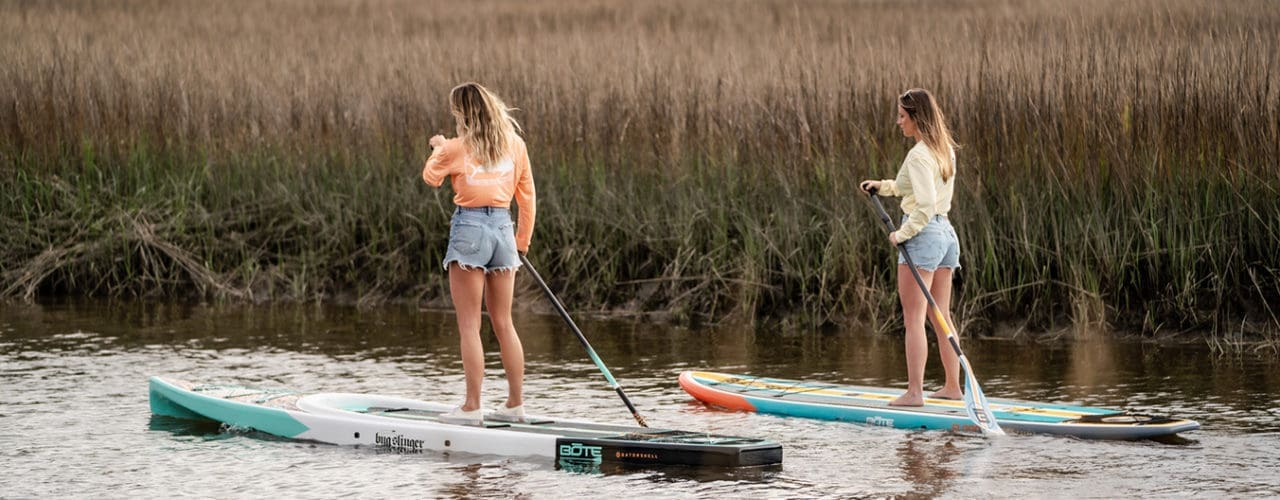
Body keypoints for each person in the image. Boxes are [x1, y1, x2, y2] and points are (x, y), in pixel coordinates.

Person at [422, 82, 536, 424]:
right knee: (504, 322)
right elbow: (527, 195)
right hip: (503, 230)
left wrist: (438, 149)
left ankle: (472, 406)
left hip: (470, 230)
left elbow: (431, 178)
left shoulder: (456, 147)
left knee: (470, 325)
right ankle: (515, 404)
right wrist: (521, 241)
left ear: (462, 114)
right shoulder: (515, 145)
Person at [859, 88, 963, 407]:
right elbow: (907, 188)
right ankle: (952, 387)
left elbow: (926, 204)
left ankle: (915, 393)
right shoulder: (942, 149)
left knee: (913, 319)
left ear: (916, 118)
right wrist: (881, 186)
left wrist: (903, 233)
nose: (898, 121)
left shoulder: (919, 155)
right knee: (940, 314)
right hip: (946, 236)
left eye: (902, 116)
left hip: (924, 236)